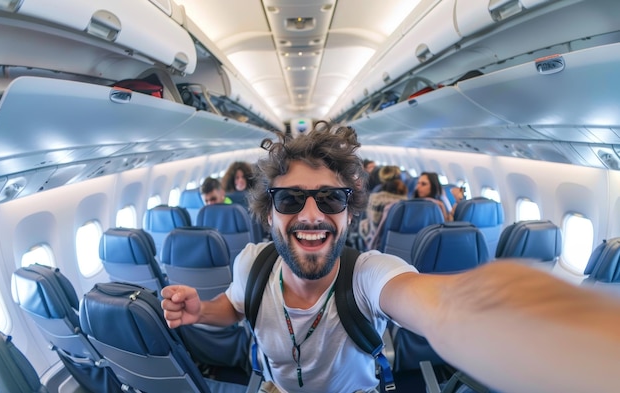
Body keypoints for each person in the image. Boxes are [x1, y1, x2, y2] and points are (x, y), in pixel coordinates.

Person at [163, 121, 620, 393]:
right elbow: (236, 305)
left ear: (349, 213)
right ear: (268, 215)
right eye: (289, 201)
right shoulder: (252, 263)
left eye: (329, 199)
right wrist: (203, 309)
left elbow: (450, 303)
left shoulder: (369, 276)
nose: (310, 215)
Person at [359, 177, 408, 250]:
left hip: (373, 237)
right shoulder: (404, 205)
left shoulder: (375, 200)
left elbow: (372, 222)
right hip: (397, 243)